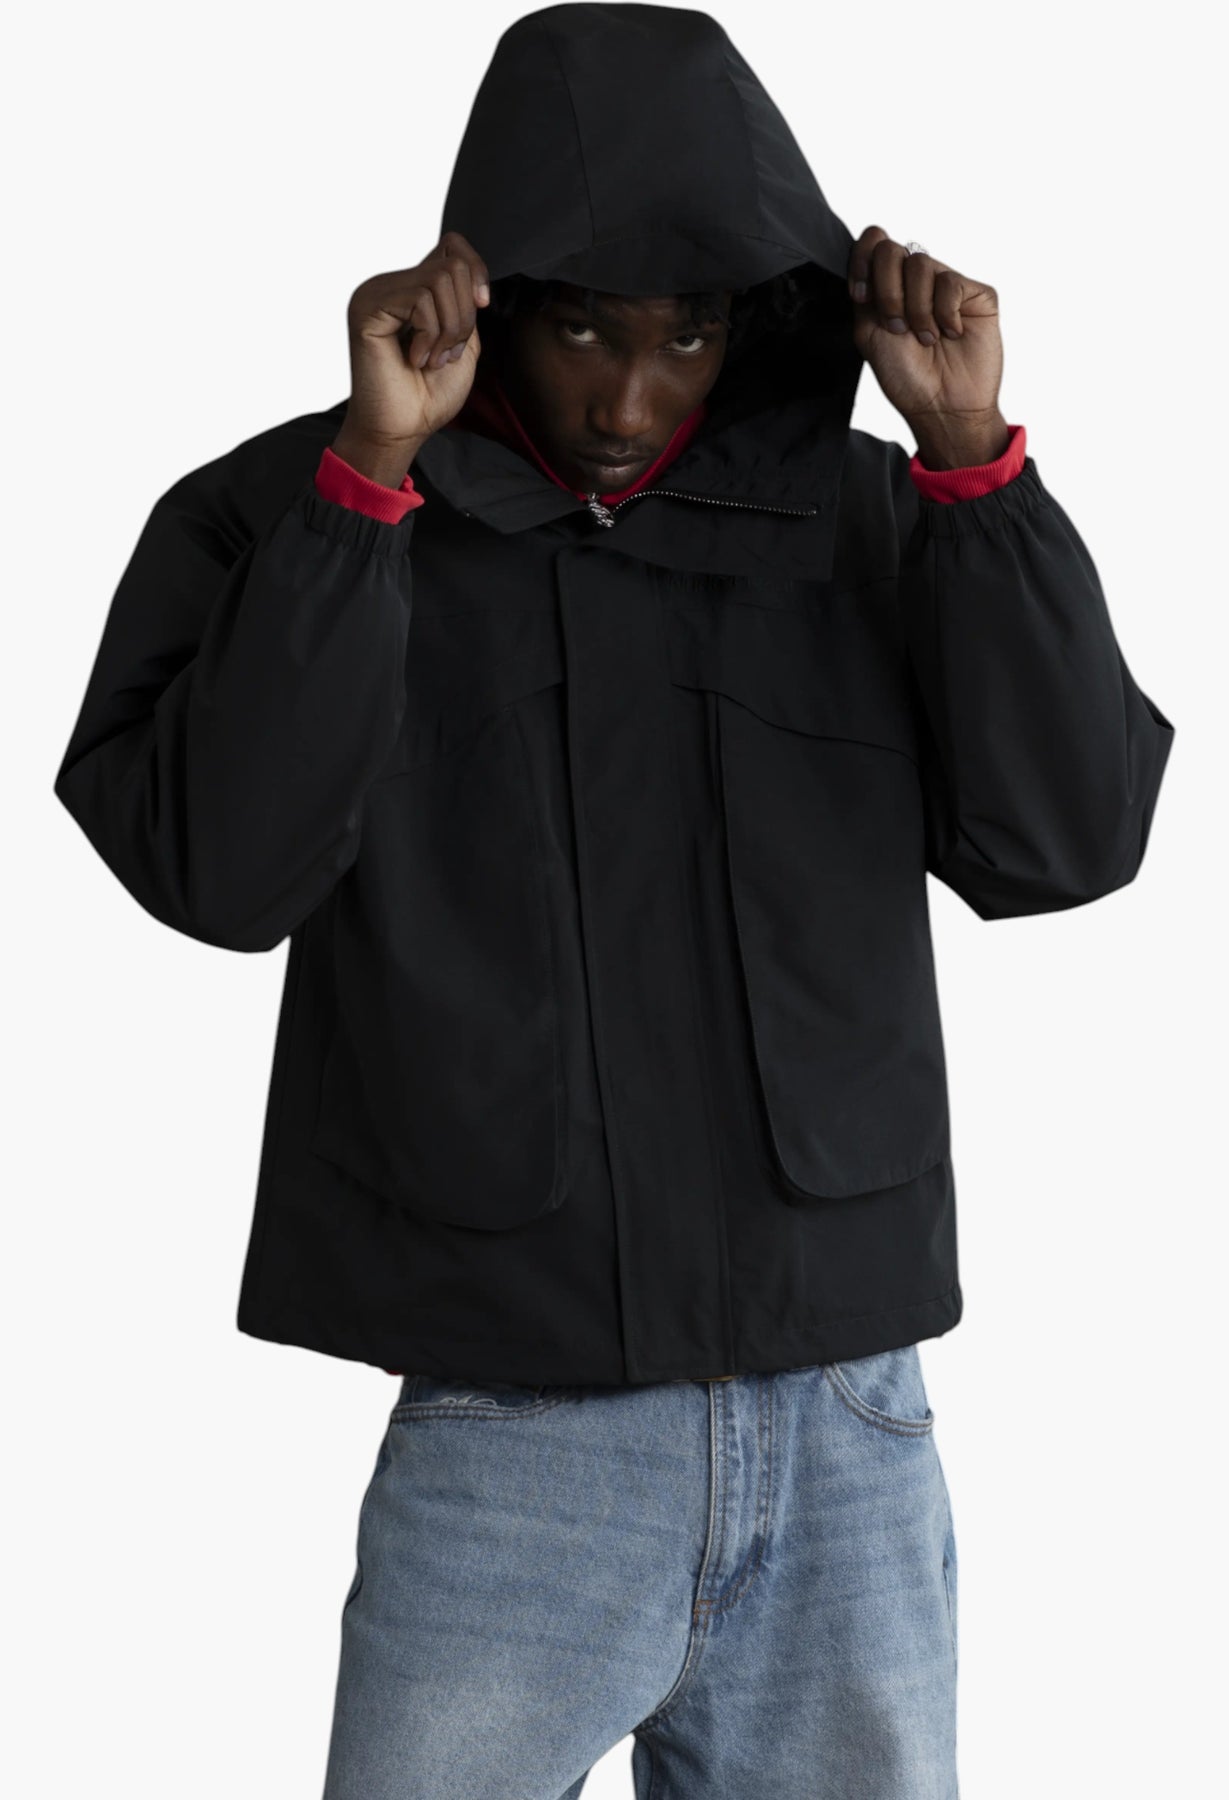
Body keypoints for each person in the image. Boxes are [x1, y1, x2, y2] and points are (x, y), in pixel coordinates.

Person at [52, 5, 1174, 1797]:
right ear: (489, 295)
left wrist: (971, 457)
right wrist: (366, 494)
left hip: (844, 1419)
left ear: (764, 319)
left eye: (689, 336)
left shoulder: (879, 520)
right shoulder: (293, 511)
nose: (631, 398)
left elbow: (1066, 841)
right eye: (581, 328)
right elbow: (216, 872)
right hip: (512, 1433)